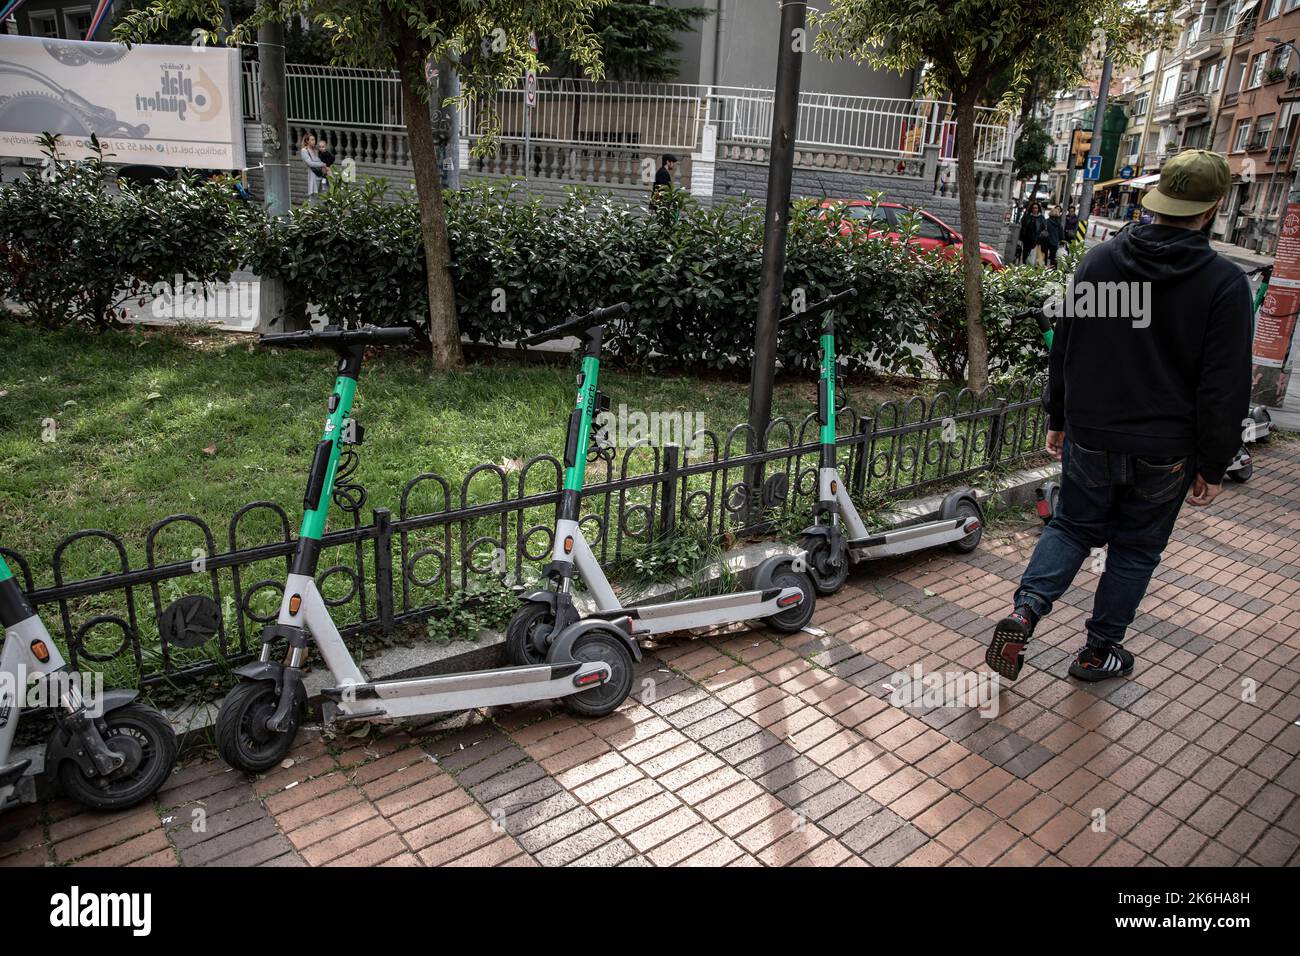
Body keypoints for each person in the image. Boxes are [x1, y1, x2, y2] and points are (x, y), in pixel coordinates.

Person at [986, 149, 1251, 684]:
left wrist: (1057, 416)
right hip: (1167, 449)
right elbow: (1223, 386)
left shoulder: (1101, 261)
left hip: (1092, 435)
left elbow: (1066, 347)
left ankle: (1025, 611)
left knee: (1071, 525)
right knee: (1136, 548)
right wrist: (1215, 462)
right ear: (1213, 207)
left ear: (1157, 199)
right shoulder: (1224, 284)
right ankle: (1096, 652)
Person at [300, 132, 328, 199]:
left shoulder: (315, 150)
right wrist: (323, 164)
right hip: (313, 175)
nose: (314, 141)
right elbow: (310, 163)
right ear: (307, 141)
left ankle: (321, 209)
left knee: (323, 196)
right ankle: (311, 209)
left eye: (314, 140)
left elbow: (321, 160)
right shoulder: (304, 151)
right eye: (312, 140)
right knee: (313, 196)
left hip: (321, 174)